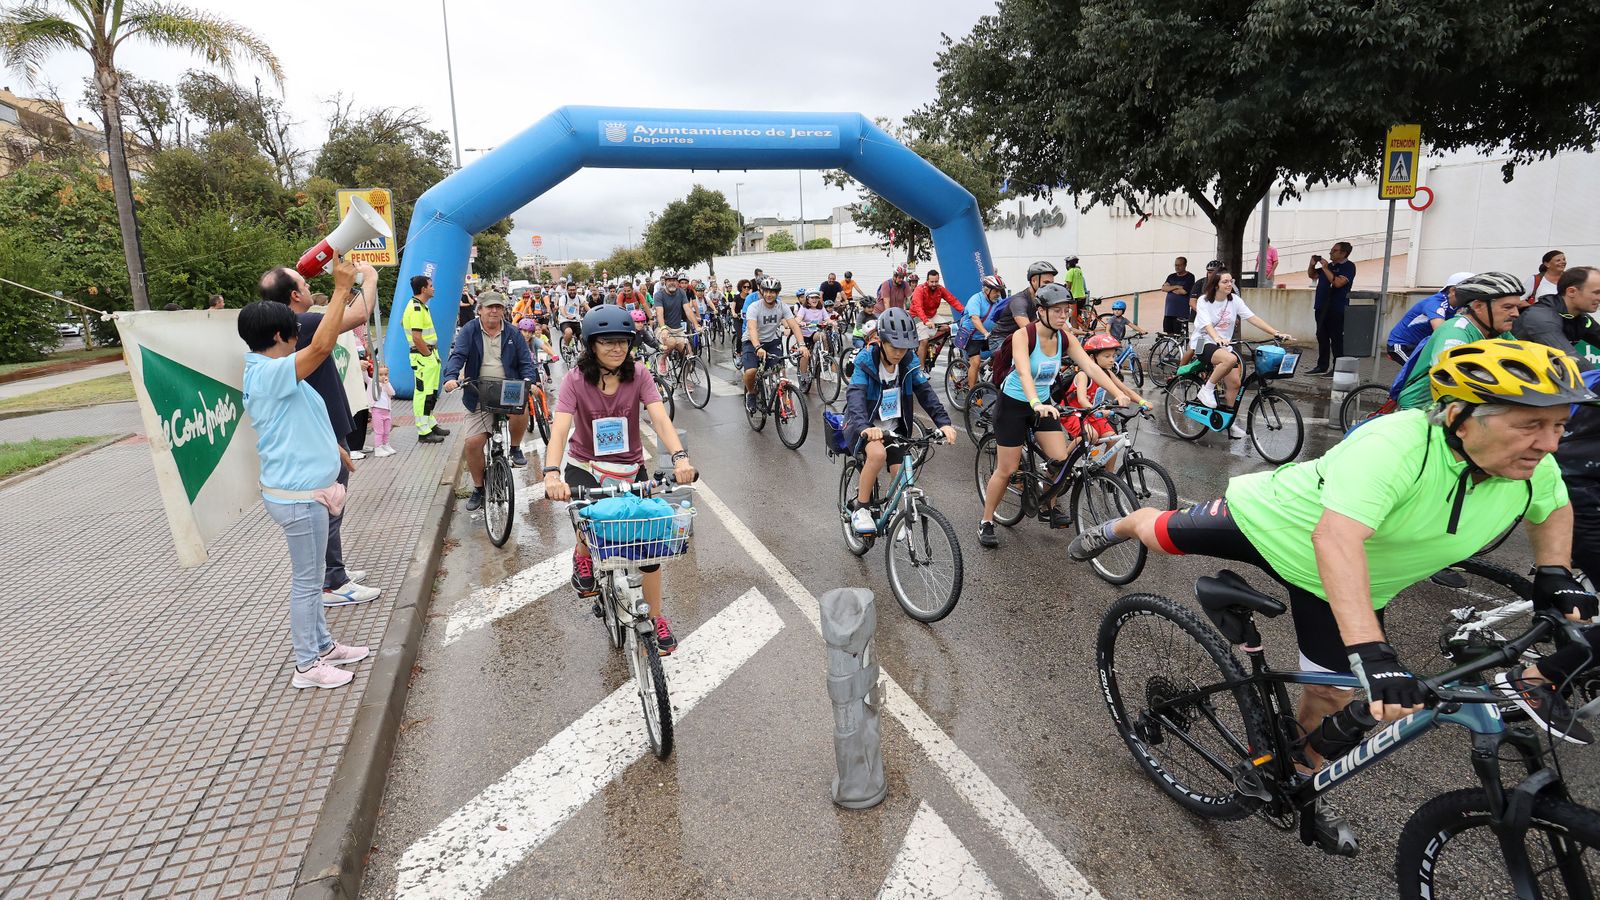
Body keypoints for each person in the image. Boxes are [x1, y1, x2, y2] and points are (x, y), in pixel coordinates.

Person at [1071, 338, 1598, 772]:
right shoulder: (1397, 445)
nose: (1548, 444)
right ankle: (1116, 524)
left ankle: (1297, 773)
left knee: (1332, 699)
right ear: (1460, 415)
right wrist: (1370, 648)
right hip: (1270, 522)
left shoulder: (1532, 465)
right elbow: (1336, 538)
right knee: (1160, 532)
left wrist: (1554, 569)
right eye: (1530, 425)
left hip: (1346, 581)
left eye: (1558, 426)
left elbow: (1552, 507)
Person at [239, 267, 371, 690]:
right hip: (297, 498)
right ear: (279, 335)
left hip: (305, 491)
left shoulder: (274, 371)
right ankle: (306, 665)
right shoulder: (269, 373)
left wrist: (336, 452)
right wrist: (340, 288)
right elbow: (323, 345)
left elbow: (299, 418)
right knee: (307, 583)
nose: (299, 333)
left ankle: (324, 646)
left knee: (312, 580)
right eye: (293, 329)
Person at [543, 305, 697, 654]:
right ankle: (582, 553)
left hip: (630, 467)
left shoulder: (639, 374)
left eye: (623, 342)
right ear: (590, 344)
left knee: (650, 546)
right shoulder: (574, 380)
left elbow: (659, 420)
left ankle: (656, 616)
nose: (617, 349)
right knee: (591, 523)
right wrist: (552, 472)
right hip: (587, 465)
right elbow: (561, 428)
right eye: (607, 342)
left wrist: (680, 457)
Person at [259, 262, 384, 608]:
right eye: (303, 280)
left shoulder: (280, 330)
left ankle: (334, 569)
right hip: (325, 435)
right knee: (331, 506)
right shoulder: (307, 323)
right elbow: (360, 314)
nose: (308, 280)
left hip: (320, 432)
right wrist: (369, 278)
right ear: (296, 296)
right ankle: (333, 581)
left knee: (331, 506)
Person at [978, 283, 1140, 549]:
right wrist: (1034, 402)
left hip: (1043, 404)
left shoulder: (1064, 337)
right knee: (1006, 469)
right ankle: (986, 521)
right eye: (1057, 311)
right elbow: (1023, 371)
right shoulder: (1024, 335)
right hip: (1015, 404)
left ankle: (1046, 504)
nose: (1064, 315)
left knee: (1061, 459)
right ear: (1041, 311)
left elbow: (1089, 365)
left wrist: (1118, 393)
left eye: (1066, 310)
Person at [842, 308, 958, 534]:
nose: (899, 353)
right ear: (881, 341)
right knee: (877, 454)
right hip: (863, 425)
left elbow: (925, 392)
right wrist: (866, 427)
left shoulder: (909, 360)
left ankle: (896, 511)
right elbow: (855, 396)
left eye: (905, 348)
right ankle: (861, 507)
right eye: (894, 347)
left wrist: (943, 422)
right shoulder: (865, 360)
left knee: (901, 468)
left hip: (894, 428)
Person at [443, 292, 540, 509]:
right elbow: (458, 355)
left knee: (520, 407)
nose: (494, 311)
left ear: (503, 310)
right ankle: (478, 488)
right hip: (478, 390)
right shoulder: (470, 330)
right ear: (480, 310)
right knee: (472, 443)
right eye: (489, 307)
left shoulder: (513, 333)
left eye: (498, 307)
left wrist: (528, 381)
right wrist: (451, 377)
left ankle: (515, 447)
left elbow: (526, 362)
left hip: (508, 388)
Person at [1394, 272, 1526, 411]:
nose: (1515, 313)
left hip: (1456, 404)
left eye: (1517, 307)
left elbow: (1523, 354)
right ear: (1478, 306)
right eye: (1507, 307)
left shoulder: (1499, 332)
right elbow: (1450, 377)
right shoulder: (1455, 332)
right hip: (1421, 408)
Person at [1190, 270, 1293, 438]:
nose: (1229, 284)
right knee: (1230, 359)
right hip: (1204, 343)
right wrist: (1217, 338)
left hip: (1224, 346)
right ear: (1216, 284)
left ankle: (1229, 424)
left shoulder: (1234, 301)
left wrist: (1275, 332)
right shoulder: (1204, 301)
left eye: (1231, 281)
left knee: (1235, 384)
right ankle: (1206, 390)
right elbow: (1207, 324)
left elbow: (1253, 318)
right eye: (1225, 282)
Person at [1065, 333, 1148, 449]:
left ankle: (1107, 468)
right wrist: (1096, 411)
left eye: (1114, 356)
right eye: (1107, 356)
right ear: (1092, 358)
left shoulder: (1107, 373)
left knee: (1113, 439)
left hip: (1092, 412)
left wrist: (1142, 402)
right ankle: (1063, 463)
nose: (1112, 360)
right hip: (1075, 413)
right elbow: (1082, 399)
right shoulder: (1083, 375)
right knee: (1090, 435)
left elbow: (1125, 390)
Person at [742, 276, 810, 413]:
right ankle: (751, 394)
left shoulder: (782, 306)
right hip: (752, 342)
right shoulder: (754, 307)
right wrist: (757, 347)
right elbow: (752, 329)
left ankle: (785, 403)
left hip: (772, 342)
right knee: (751, 372)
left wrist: (802, 344)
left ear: (777, 293)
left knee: (780, 371)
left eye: (772, 292)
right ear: (761, 291)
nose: (769, 294)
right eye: (766, 291)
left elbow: (794, 326)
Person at [1514, 265, 1600, 371]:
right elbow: (1569, 359)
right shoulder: (1541, 317)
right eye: (1596, 292)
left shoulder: (1581, 318)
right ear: (1571, 292)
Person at [1383, 272, 1475, 363]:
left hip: (1422, 346)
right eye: (1469, 291)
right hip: (1402, 345)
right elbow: (1441, 331)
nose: (1473, 296)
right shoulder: (1436, 303)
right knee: (1418, 372)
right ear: (1452, 290)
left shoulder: (1459, 305)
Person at [400, 276, 449, 445]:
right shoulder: (416, 308)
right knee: (423, 394)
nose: (433, 288)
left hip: (427, 355)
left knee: (431, 393)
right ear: (423, 289)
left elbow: (402, 322)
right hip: (423, 357)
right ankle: (423, 431)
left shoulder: (419, 307)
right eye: (431, 286)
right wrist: (428, 355)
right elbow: (416, 337)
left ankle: (430, 423)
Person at [1306, 241, 1356, 375]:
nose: (1331, 253)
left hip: (1337, 308)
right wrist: (1312, 264)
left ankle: (1337, 368)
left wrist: (1326, 268)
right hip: (1321, 307)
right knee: (1321, 336)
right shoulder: (1328, 266)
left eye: (1334, 251)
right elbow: (1312, 275)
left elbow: (1338, 283)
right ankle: (1322, 366)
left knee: (1336, 339)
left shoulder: (1348, 267)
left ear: (1343, 253)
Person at [987, 260, 1058, 353]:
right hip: (1000, 339)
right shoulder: (1019, 301)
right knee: (1021, 359)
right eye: (1046, 282)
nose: (1050, 287)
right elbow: (1028, 329)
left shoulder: (1040, 299)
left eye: (1052, 283)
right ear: (1034, 281)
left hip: (1019, 337)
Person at [958, 275, 1005, 391]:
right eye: (996, 291)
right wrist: (985, 333)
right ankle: (971, 393)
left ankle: (989, 370)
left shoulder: (998, 301)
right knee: (976, 362)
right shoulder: (976, 299)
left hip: (989, 335)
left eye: (1000, 291)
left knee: (1001, 353)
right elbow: (975, 319)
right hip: (972, 335)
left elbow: (1006, 315)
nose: (998, 294)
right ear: (987, 290)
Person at [910, 268, 961, 364]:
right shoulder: (919, 289)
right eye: (932, 282)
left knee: (948, 328)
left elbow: (952, 300)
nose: (934, 284)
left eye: (936, 281)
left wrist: (965, 312)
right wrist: (926, 321)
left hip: (932, 315)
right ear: (927, 281)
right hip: (918, 317)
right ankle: (921, 369)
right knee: (924, 340)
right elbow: (918, 307)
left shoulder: (940, 289)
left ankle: (933, 343)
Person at [653, 272, 701, 360]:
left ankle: (686, 373)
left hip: (678, 329)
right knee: (671, 343)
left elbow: (688, 310)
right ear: (665, 282)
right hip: (663, 328)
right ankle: (662, 359)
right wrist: (663, 328)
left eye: (674, 280)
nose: (672, 282)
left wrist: (696, 325)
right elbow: (659, 313)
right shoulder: (659, 295)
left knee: (689, 354)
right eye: (669, 280)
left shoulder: (681, 293)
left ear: (677, 282)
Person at [1160, 257, 1197, 335]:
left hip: (1181, 312)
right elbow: (1163, 288)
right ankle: (1170, 347)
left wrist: (1170, 288)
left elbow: (1183, 291)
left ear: (1185, 265)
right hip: (1169, 311)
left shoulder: (1190, 277)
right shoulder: (1171, 276)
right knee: (1169, 332)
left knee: (1180, 333)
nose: (1177, 267)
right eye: (1176, 265)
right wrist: (1177, 286)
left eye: (1179, 265)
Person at [370, 362, 396, 457]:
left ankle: (386, 444)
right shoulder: (372, 383)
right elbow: (366, 377)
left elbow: (392, 393)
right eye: (380, 374)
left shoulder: (386, 385)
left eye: (385, 374)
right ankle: (378, 447)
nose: (383, 376)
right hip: (377, 411)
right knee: (379, 431)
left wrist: (387, 384)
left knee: (386, 430)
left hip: (387, 411)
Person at [557, 279, 585, 348]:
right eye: (570, 290)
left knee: (583, 338)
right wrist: (566, 316)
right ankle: (566, 346)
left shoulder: (579, 298)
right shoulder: (563, 298)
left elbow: (587, 307)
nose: (572, 292)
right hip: (565, 320)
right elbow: (562, 308)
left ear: (576, 290)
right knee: (569, 332)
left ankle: (583, 354)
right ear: (567, 290)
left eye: (574, 290)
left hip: (576, 320)